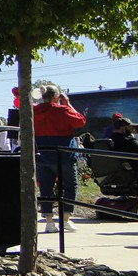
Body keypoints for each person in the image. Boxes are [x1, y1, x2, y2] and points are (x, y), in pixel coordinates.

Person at [33, 85, 87, 233]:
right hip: (64, 155)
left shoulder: (33, 111)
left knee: (45, 189)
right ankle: (65, 219)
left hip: (42, 154)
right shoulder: (62, 110)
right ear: (56, 97)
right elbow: (81, 121)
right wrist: (68, 104)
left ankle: (49, 222)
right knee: (70, 186)